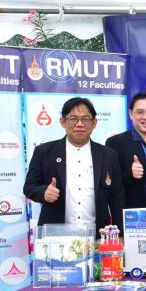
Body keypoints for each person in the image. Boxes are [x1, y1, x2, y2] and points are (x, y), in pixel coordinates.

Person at [23, 97, 124, 237]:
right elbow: (29, 187)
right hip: (55, 236)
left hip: (98, 235)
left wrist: (120, 235)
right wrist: (44, 192)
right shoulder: (44, 151)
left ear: (94, 123)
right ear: (63, 122)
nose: (79, 124)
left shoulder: (109, 155)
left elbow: (117, 198)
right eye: (73, 119)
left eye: (85, 119)